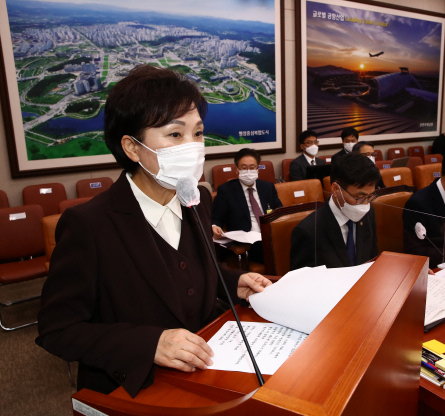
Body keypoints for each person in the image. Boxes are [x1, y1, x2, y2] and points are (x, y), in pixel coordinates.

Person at [35, 65, 271, 398]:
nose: (192, 147)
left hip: (208, 370)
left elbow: (192, 269)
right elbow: (57, 330)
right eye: (176, 134)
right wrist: (149, 344)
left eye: (198, 133)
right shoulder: (89, 224)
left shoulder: (198, 197)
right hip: (136, 388)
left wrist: (234, 283)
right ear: (132, 147)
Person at [290, 153, 380, 270]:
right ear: (336, 189)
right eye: (359, 197)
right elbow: (301, 281)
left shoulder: (369, 213)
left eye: (370, 197)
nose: (365, 204)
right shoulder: (308, 231)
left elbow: (371, 259)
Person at [212, 148, 283, 263]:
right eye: (244, 168)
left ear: (258, 170)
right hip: (247, 239)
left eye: (252, 167)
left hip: (270, 234)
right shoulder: (226, 190)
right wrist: (215, 226)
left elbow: (280, 211)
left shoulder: (268, 187)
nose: (248, 171)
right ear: (237, 170)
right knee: (265, 247)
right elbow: (217, 218)